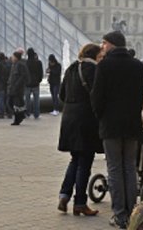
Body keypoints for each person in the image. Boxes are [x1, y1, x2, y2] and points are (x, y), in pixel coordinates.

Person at [91, 30, 143, 228]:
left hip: (111, 125)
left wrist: (101, 117)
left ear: (112, 44)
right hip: (132, 123)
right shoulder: (139, 66)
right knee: (129, 168)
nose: (102, 47)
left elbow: (96, 98)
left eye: (104, 43)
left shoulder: (104, 66)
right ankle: (133, 211)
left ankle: (119, 213)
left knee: (114, 168)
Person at [57, 43, 103, 216]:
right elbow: (98, 96)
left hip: (69, 119)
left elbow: (62, 94)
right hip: (86, 120)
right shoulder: (93, 70)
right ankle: (80, 203)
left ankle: (64, 195)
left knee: (75, 159)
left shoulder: (71, 69)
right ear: (95, 56)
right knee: (85, 162)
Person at [8, 48, 30, 126]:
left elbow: (22, 76)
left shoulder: (20, 65)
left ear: (16, 57)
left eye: (13, 57)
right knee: (13, 103)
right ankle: (21, 115)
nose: (12, 58)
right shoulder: (15, 64)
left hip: (17, 89)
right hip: (13, 87)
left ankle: (18, 119)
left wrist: (16, 85)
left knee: (16, 104)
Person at [25, 48, 44, 118]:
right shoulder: (38, 62)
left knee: (27, 100)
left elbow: (24, 74)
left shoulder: (26, 63)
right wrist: (39, 80)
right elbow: (41, 73)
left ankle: (27, 113)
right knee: (36, 100)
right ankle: (36, 114)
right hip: (36, 84)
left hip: (27, 84)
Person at [0, 52, 12, 118]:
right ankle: (9, 113)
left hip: (0, 84)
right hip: (8, 84)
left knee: (1, 99)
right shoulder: (9, 64)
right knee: (8, 99)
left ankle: (1, 113)